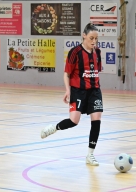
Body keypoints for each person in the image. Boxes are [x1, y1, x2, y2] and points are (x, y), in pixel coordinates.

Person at [40, 23, 103, 166]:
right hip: (78, 90)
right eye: (91, 38)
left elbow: (96, 71)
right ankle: (54, 128)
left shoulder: (97, 52)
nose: (94, 41)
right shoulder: (75, 52)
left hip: (94, 90)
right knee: (74, 121)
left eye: (96, 39)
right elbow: (66, 74)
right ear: (84, 35)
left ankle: (90, 154)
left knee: (97, 118)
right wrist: (68, 90)